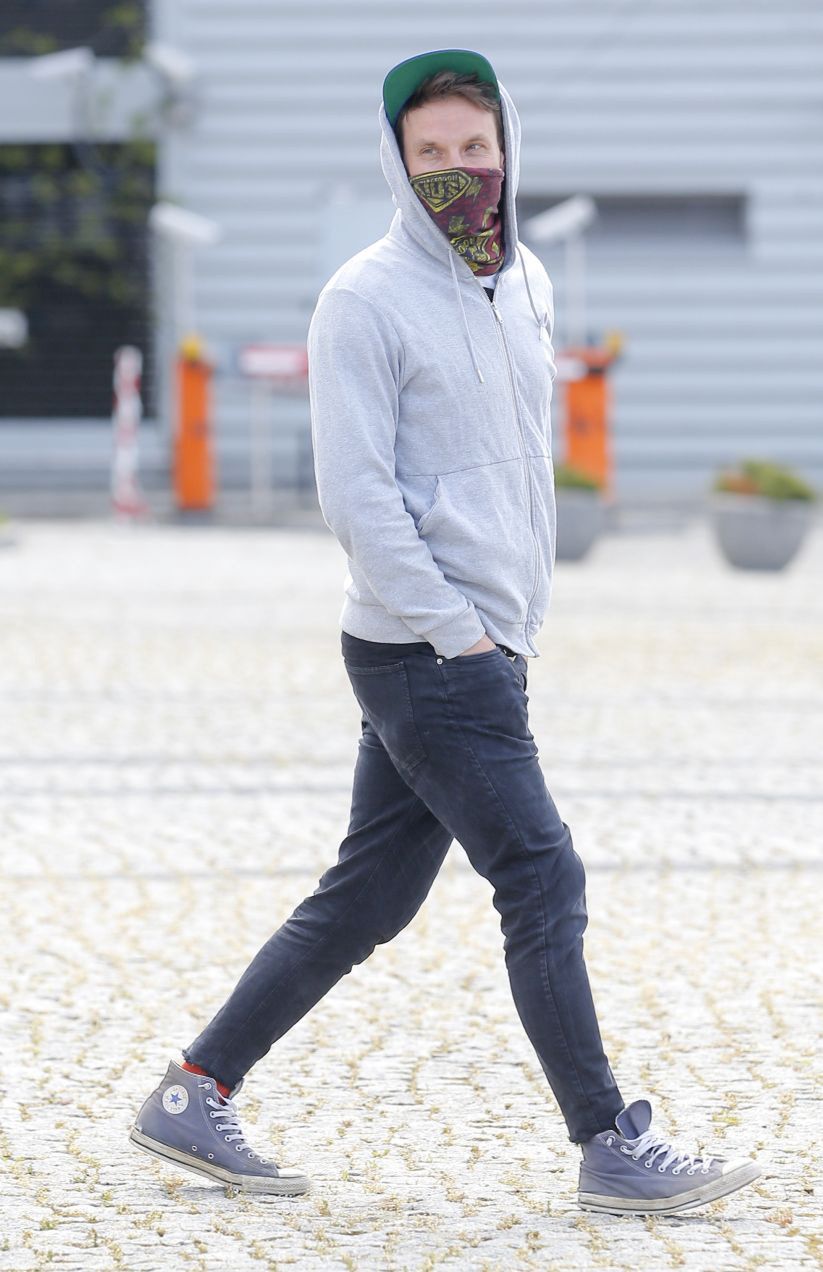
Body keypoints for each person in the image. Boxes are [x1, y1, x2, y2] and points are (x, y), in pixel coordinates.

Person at [129, 48, 760, 1215]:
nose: (458, 171)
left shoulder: (526, 284)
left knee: (370, 897)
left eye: (475, 148)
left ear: (507, 148)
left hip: (485, 644)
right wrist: (457, 633)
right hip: (425, 652)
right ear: (398, 164)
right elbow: (356, 497)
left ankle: (193, 1087)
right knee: (541, 872)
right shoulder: (361, 300)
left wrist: (508, 626)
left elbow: (516, 462)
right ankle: (608, 1143)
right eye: (431, 155)